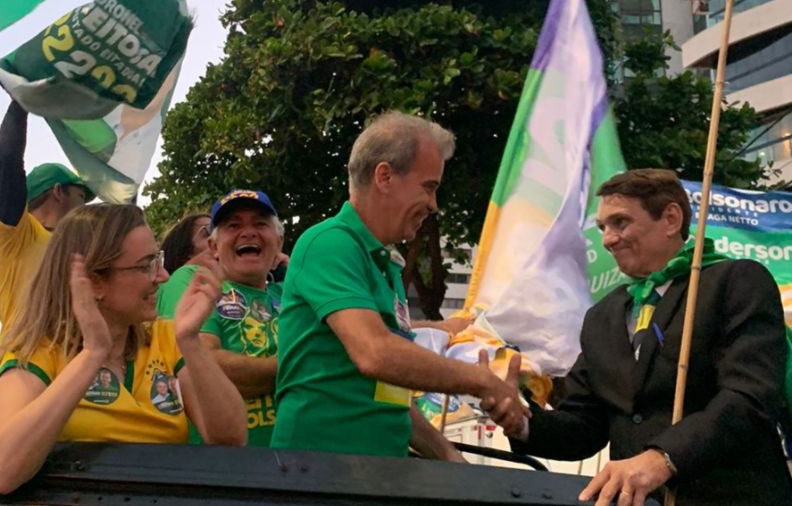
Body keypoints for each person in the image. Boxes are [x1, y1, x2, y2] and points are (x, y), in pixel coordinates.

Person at [508, 169, 792, 506]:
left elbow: (750, 396)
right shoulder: (602, 317)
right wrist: (520, 418)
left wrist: (664, 458)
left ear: (671, 218)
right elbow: (584, 426)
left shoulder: (735, 281)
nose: (608, 239)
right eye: (603, 227)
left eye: (620, 222)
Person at [271, 111, 528, 459]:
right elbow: (375, 354)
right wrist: (481, 380)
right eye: (429, 187)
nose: (434, 205)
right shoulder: (330, 243)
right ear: (385, 176)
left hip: (371, 474)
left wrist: (450, 457)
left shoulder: (385, 263)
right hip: (316, 472)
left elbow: (388, 393)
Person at [0, 203, 246, 494]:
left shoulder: (167, 339)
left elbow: (230, 439)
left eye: (158, 260)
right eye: (146, 265)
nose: (163, 276)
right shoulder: (39, 350)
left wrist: (191, 341)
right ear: (95, 283)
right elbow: (2, 469)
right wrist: (93, 355)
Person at [162, 189, 285, 446]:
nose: (248, 232)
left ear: (279, 242)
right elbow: (202, 366)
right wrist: (298, 365)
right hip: (225, 466)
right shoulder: (198, 283)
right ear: (214, 247)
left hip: (299, 459)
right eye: (233, 225)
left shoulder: (291, 293)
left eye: (260, 224)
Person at [0, 100, 95, 341]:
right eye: (80, 196)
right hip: (25, 366)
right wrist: (20, 102)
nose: (84, 207)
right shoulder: (16, 234)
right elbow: (6, 159)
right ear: (58, 192)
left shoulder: (77, 247)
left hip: (72, 367)